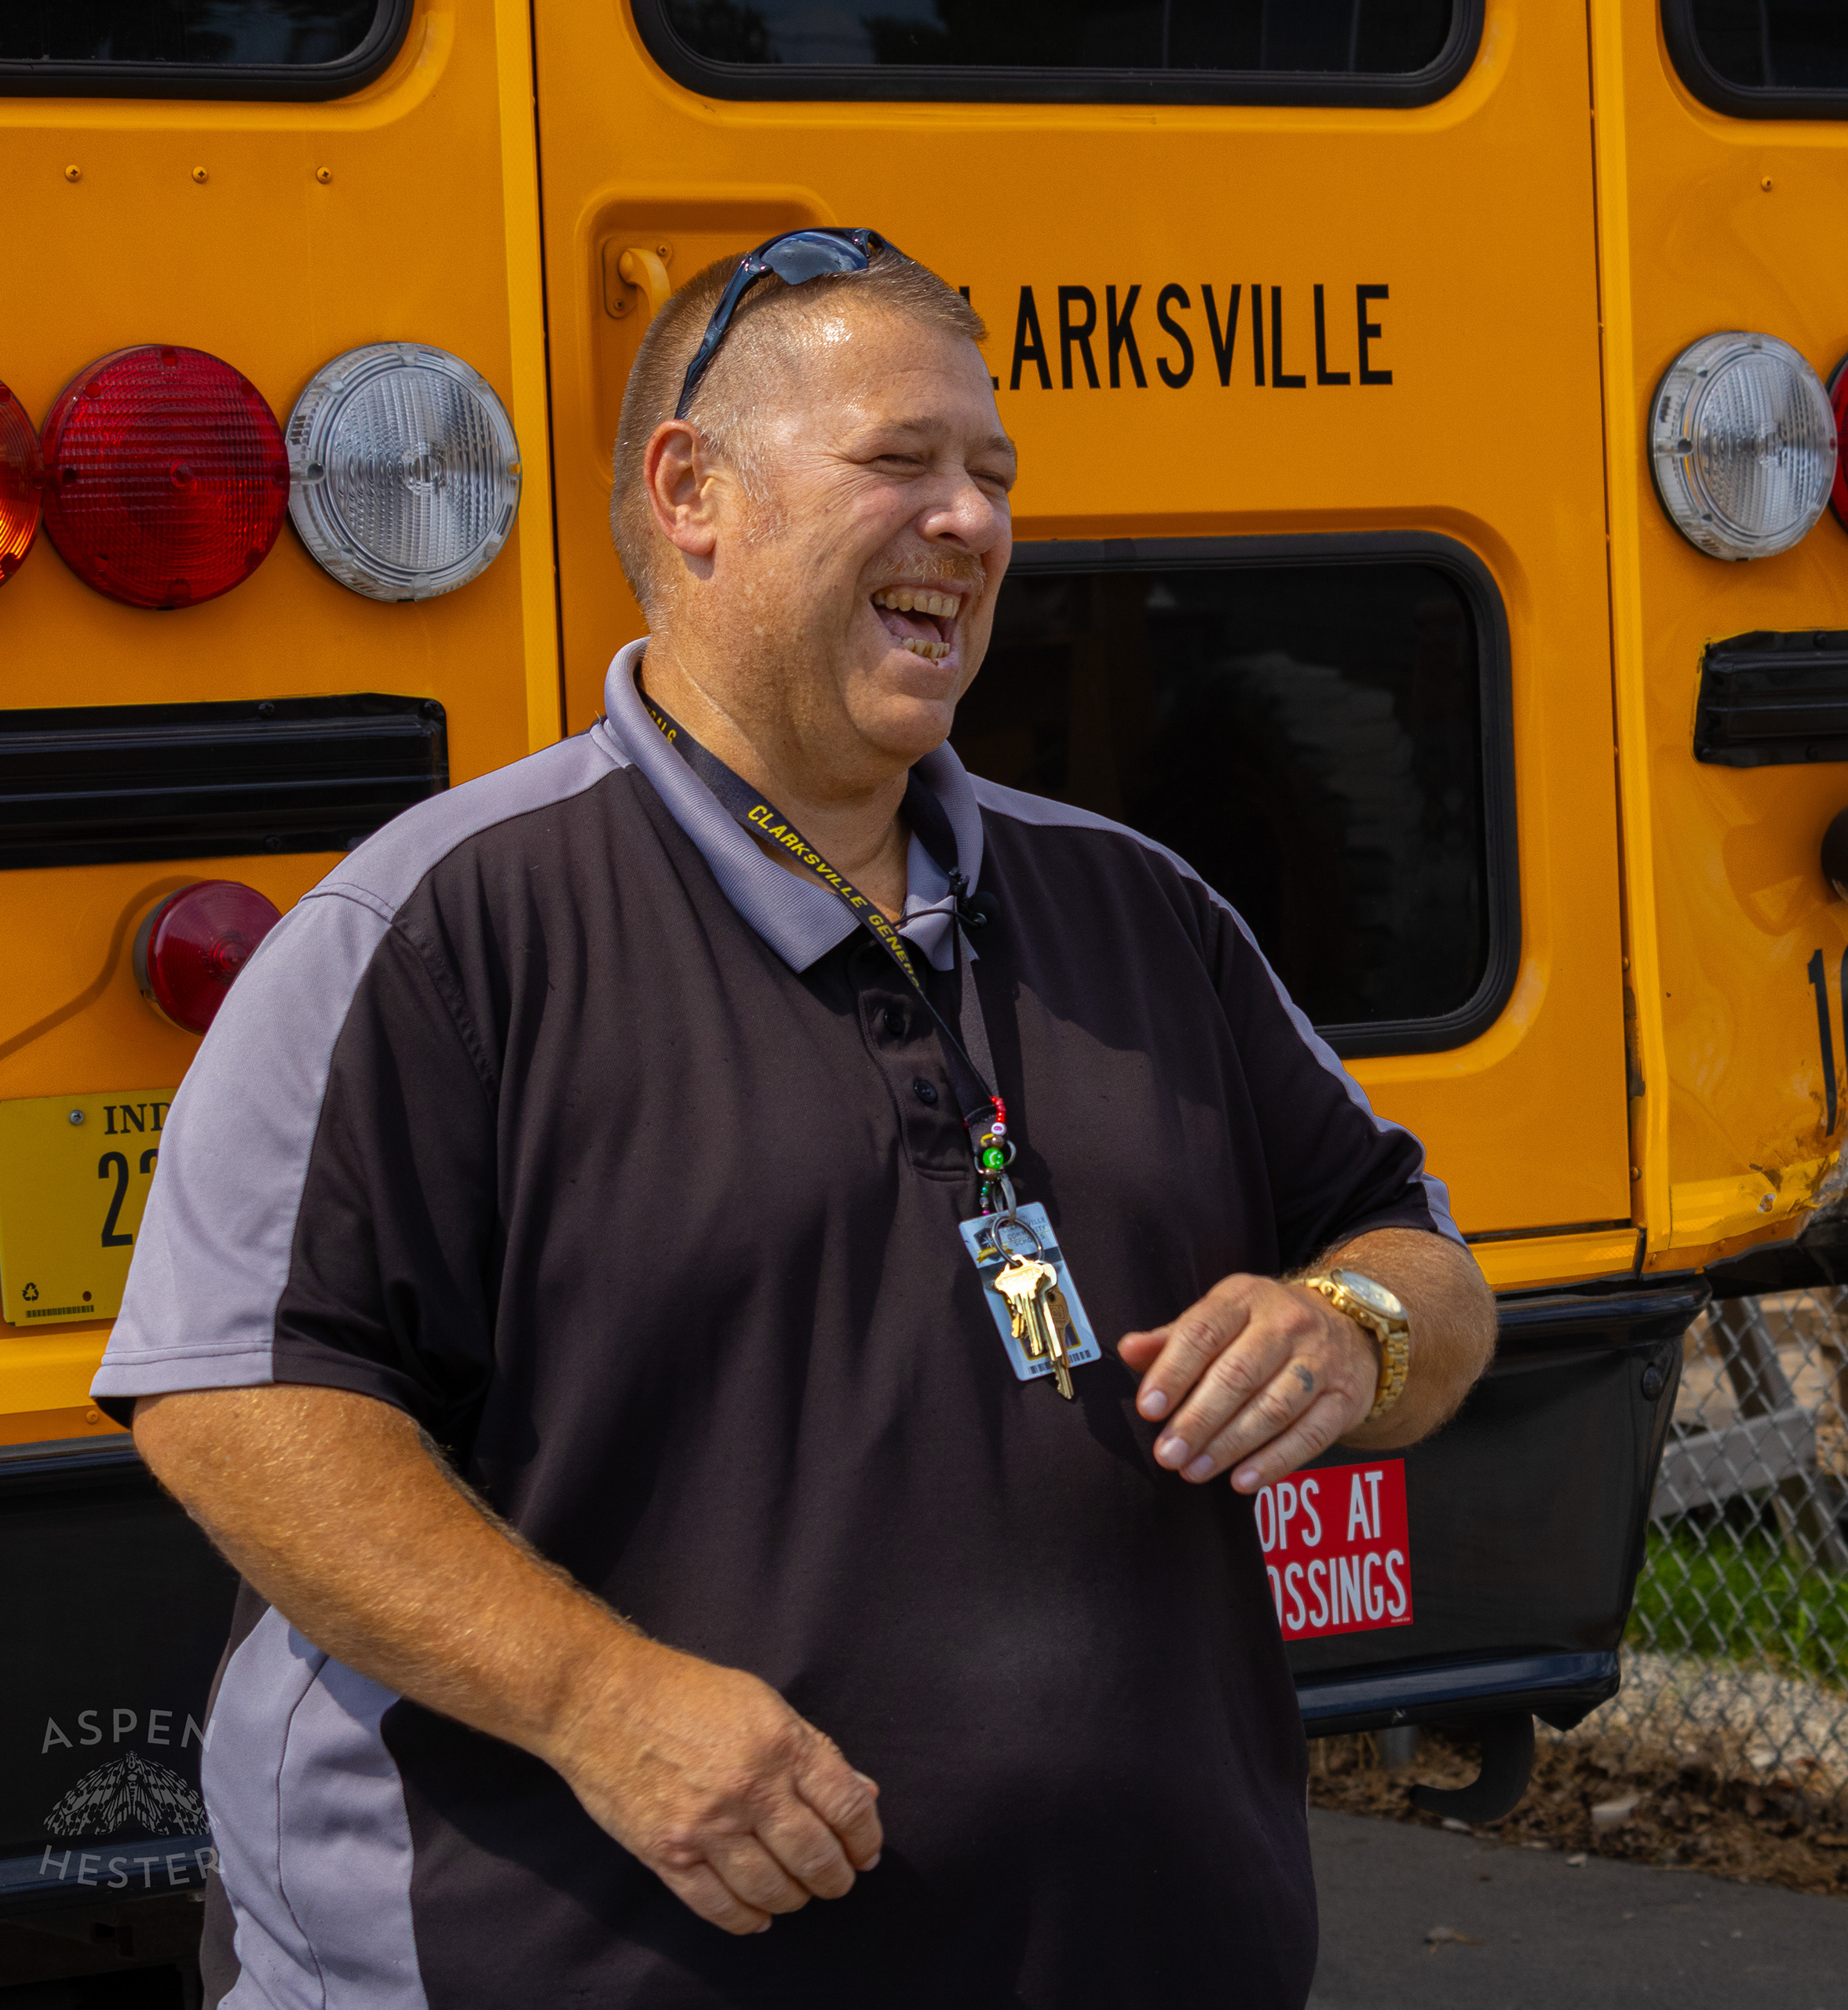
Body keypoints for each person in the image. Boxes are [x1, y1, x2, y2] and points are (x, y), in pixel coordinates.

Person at [95, 228, 1495, 2008]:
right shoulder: (438, 930)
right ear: (694, 491)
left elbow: (1421, 1253)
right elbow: (240, 1400)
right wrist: (597, 1700)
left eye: (992, 474)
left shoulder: (1140, 910)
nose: (973, 522)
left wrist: (1352, 1324)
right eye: (901, 462)